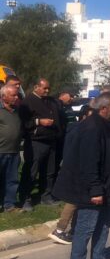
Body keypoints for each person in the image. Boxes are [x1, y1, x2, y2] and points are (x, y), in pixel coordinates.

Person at [53, 92, 110, 259]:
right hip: (90, 189)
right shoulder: (92, 129)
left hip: (105, 186)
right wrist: (96, 190)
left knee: (103, 225)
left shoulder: (103, 126)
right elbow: (89, 162)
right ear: (103, 109)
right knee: (85, 227)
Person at [49, 106, 95, 245]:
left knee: (78, 200)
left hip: (73, 167)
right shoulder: (81, 131)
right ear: (84, 117)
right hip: (77, 169)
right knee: (74, 201)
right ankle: (60, 230)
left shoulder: (75, 129)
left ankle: (72, 230)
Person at [18, 78, 62, 210]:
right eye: (44, 88)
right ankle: (25, 198)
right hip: (36, 142)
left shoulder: (49, 100)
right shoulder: (28, 101)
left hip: (51, 140)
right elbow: (24, 123)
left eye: (49, 88)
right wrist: (39, 122)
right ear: (36, 87)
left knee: (49, 172)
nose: (47, 91)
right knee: (31, 171)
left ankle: (46, 196)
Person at [0, 86, 22, 213]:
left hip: (14, 152)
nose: (16, 97)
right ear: (4, 97)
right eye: (13, 95)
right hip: (0, 151)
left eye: (17, 95)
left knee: (12, 180)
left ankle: (10, 205)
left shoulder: (17, 110)